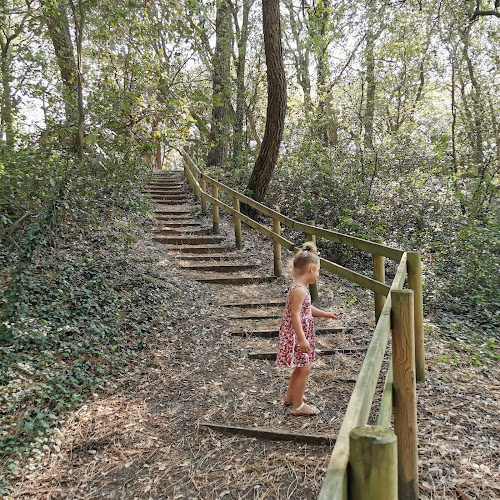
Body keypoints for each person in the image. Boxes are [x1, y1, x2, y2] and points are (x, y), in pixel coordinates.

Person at [276, 242, 338, 416]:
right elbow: (295, 315)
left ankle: (289, 397)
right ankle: (298, 405)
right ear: (311, 269)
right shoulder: (300, 291)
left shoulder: (300, 288)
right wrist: (302, 339)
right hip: (297, 336)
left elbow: (306, 308)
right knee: (305, 368)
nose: (318, 275)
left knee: (300, 366)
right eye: (318, 271)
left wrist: (325, 314)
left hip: (298, 334)